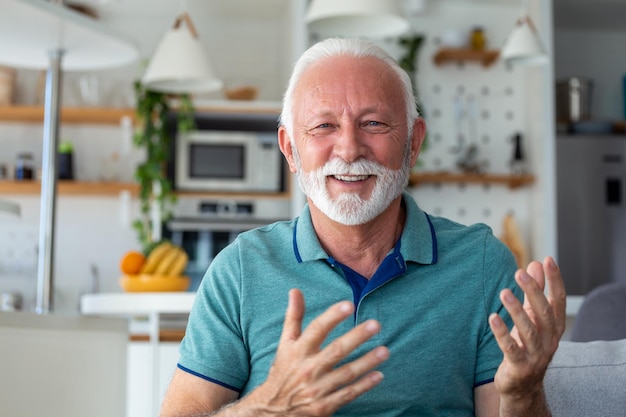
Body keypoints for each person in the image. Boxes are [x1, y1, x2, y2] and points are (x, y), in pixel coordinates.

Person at [160, 37, 566, 417]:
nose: (350, 149)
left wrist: (523, 393)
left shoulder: (480, 265)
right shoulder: (241, 270)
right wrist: (269, 406)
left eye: (373, 124)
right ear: (289, 148)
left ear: (412, 142)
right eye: (323, 126)